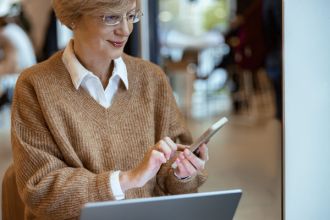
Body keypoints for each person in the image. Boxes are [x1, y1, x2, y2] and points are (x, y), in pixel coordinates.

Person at [7, 0, 209, 219]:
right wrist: (127, 180)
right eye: (111, 17)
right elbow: (41, 191)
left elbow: (171, 182)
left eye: (130, 16)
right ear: (74, 17)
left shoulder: (152, 79)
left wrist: (182, 174)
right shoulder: (35, 85)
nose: (125, 30)